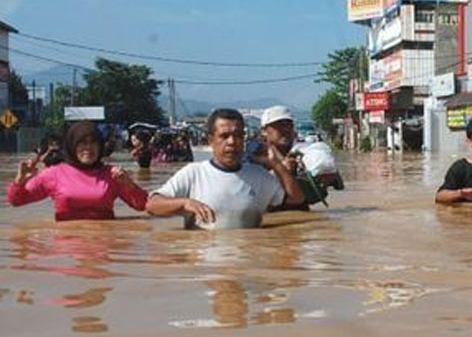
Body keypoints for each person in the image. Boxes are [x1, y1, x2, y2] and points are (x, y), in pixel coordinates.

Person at [146, 108, 305, 229]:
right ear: (210, 140)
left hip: (249, 265)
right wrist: (184, 204)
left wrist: (276, 164)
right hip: (204, 268)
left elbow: (296, 199)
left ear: (244, 139)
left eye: (237, 136)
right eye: (224, 136)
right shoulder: (193, 173)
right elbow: (152, 205)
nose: (231, 142)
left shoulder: (259, 176)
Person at [5, 121, 149, 221]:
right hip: (65, 251)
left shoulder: (112, 174)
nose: (88, 148)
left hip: (103, 246)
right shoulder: (54, 174)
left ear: (100, 147)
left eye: (93, 142)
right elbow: (17, 201)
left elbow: (143, 205)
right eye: (82, 143)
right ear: (72, 146)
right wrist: (20, 180)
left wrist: (129, 184)